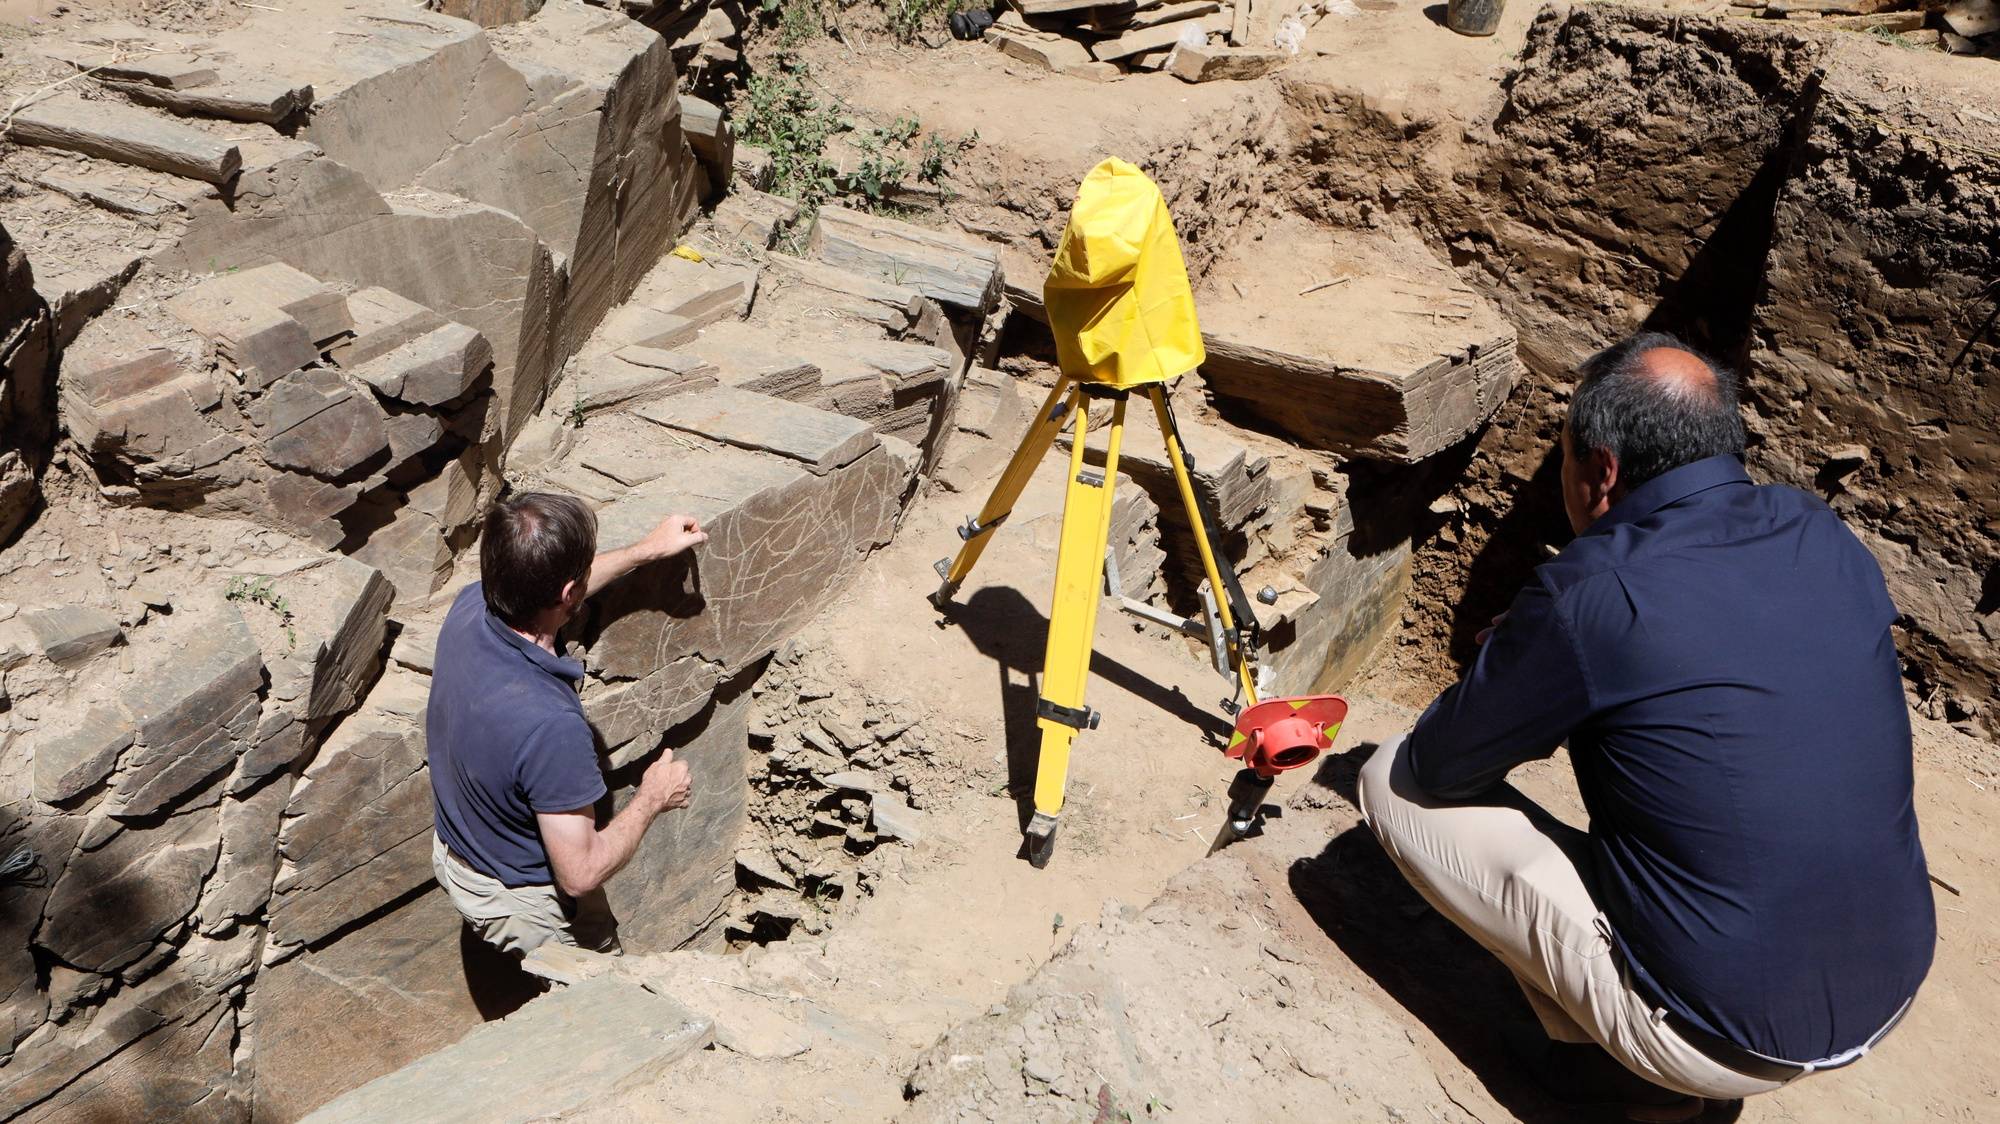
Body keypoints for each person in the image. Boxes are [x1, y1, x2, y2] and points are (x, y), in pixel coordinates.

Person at [1358, 332, 1934, 1121]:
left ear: (1601, 470)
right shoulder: (1816, 528)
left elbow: (1438, 766)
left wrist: (1526, 666)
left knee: (1387, 781)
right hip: (1892, 974)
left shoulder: (1592, 591)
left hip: (1728, 1029)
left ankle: (1648, 1087)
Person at [427, 491, 708, 956]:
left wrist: (644, 551)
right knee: (600, 1005)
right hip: (519, 901)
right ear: (567, 593)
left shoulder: (470, 608)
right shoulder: (550, 726)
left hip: (462, 849)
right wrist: (652, 798)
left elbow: (549, 589)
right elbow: (579, 876)